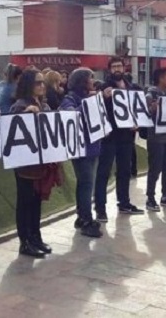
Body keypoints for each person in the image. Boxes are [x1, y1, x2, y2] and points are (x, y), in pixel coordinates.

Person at [10, 68, 60, 257]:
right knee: (25, 201)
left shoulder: (44, 105)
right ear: (28, 85)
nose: (41, 86)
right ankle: (25, 241)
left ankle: (35, 237)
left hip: (41, 161)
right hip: (24, 163)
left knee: (36, 200)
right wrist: (24, 114)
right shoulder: (20, 105)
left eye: (42, 82)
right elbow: (12, 129)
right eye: (37, 83)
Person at [94, 57, 143, 221]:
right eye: (114, 66)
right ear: (109, 69)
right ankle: (100, 208)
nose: (117, 69)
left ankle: (124, 203)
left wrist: (138, 123)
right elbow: (95, 107)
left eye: (119, 66)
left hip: (127, 136)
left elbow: (138, 109)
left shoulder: (132, 87)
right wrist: (102, 96)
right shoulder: (103, 87)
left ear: (124, 68)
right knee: (103, 172)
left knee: (125, 171)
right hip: (109, 136)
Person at [58, 67, 103, 238]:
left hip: (93, 147)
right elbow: (70, 116)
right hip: (81, 149)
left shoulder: (88, 97)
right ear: (82, 81)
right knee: (86, 184)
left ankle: (82, 216)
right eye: (90, 78)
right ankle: (85, 219)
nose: (93, 81)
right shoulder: (70, 98)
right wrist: (87, 104)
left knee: (87, 184)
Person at [144, 68, 166, 212]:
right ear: (160, 78)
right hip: (156, 138)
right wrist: (152, 109)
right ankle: (150, 197)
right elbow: (144, 113)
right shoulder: (151, 94)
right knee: (155, 169)